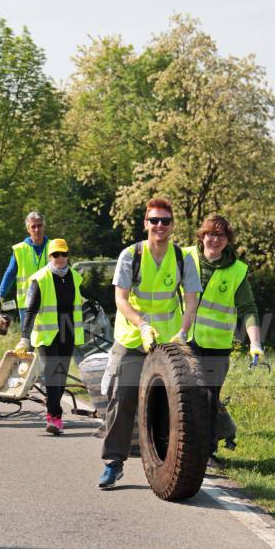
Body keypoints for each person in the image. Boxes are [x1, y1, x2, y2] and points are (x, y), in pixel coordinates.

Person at [99, 198, 202, 488]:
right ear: (145, 223)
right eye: (154, 220)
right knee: (123, 397)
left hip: (169, 342)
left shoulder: (183, 258)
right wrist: (142, 324)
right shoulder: (131, 255)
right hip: (133, 338)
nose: (159, 226)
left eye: (165, 221)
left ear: (172, 225)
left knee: (178, 400)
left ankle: (175, 461)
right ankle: (114, 461)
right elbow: (120, 298)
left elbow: (191, 301)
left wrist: (183, 332)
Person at [183, 213, 263, 470]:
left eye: (220, 235)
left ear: (228, 240)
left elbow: (249, 309)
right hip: (183, 340)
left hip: (216, 345)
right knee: (180, 395)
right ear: (201, 236)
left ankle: (206, 452)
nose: (214, 239)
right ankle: (172, 448)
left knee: (209, 399)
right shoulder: (184, 258)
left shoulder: (237, 271)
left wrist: (255, 343)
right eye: (210, 233)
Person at [14, 238, 84, 435]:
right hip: (46, 334)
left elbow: (76, 303)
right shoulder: (40, 278)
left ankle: (53, 408)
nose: (60, 258)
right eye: (55, 254)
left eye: (63, 254)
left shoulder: (75, 277)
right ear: (50, 256)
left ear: (67, 255)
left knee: (60, 374)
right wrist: (24, 338)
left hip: (67, 332)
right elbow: (30, 311)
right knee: (52, 371)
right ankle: (54, 416)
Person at [0, 211, 49, 325]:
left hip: (50, 303)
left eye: (39, 225)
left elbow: (64, 273)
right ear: (28, 229)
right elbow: (10, 274)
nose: (37, 229)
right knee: (27, 339)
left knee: (49, 341)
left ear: (44, 227)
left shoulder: (54, 247)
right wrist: (0, 299)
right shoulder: (20, 249)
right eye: (33, 227)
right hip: (27, 305)